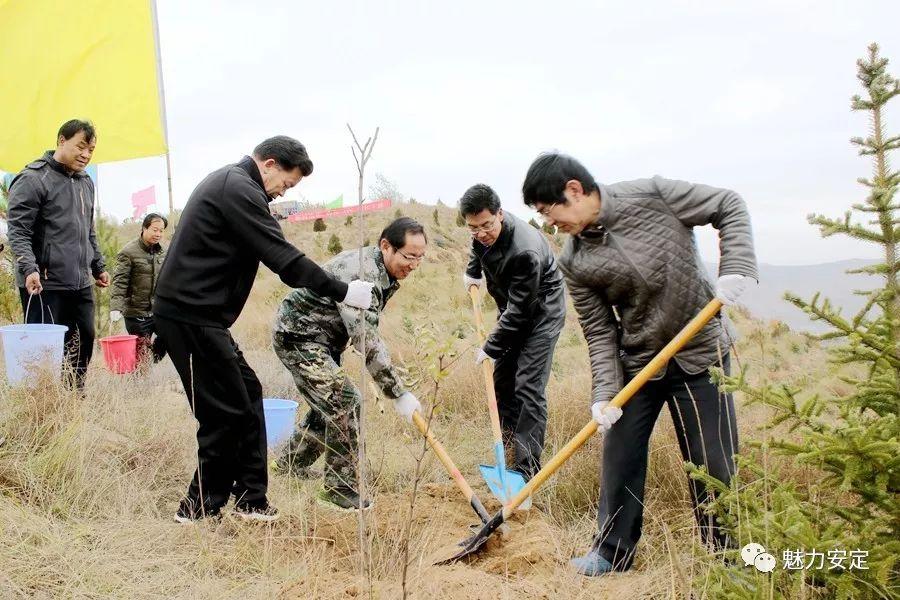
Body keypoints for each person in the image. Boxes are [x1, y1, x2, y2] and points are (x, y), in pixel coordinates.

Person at [521, 152, 757, 576]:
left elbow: (729, 203)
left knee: (714, 463)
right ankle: (613, 552)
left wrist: (736, 267)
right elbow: (600, 333)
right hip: (641, 362)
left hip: (701, 353)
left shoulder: (654, 194)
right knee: (621, 453)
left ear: (574, 190)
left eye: (548, 212)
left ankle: (727, 559)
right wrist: (605, 396)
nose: (549, 224)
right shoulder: (574, 260)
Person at [153, 136, 374, 524]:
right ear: (269, 164)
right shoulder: (238, 188)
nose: (281, 192)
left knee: (247, 396)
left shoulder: (234, 185)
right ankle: (200, 508)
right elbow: (282, 258)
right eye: (285, 184)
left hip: (199, 317)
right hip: (189, 315)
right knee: (224, 413)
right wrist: (342, 290)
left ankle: (250, 499)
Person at [273, 217, 426, 511]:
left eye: (420, 258)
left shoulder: (382, 269)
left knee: (328, 404)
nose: (414, 265)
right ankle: (339, 490)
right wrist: (398, 393)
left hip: (323, 340)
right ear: (386, 246)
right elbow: (366, 339)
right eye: (409, 256)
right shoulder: (364, 273)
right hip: (298, 336)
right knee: (345, 401)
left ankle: (291, 464)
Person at [459, 184, 566, 480]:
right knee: (503, 381)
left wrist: (490, 346)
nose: (481, 233)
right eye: (473, 227)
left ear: (500, 214)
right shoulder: (481, 234)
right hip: (512, 307)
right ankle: (509, 450)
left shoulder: (525, 250)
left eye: (486, 225)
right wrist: (473, 271)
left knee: (528, 385)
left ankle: (527, 468)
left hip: (541, 313)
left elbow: (521, 311)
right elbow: (479, 246)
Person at [6, 119, 108, 389]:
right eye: (81, 147)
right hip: (44, 283)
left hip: (79, 280)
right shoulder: (33, 178)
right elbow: (18, 231)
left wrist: (98, 265)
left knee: (84, 339)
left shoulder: (86, 182)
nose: (86, 155)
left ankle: (74, 398)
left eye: (91, 150)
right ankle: (44, 404)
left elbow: (88, 229)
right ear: (61, 141)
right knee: (46, 350)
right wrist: (29, 268)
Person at [109, 213, 168, 363]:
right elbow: (119, 282)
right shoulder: (128, 252)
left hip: (158, 310)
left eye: (161, 231)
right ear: (144, 228)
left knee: (170, 336)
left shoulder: (164, 252)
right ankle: (140, 380)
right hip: (136, 313)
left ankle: (153, 360)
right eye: (155, 230)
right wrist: (116, 307)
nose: (158, 234)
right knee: (141, 355)